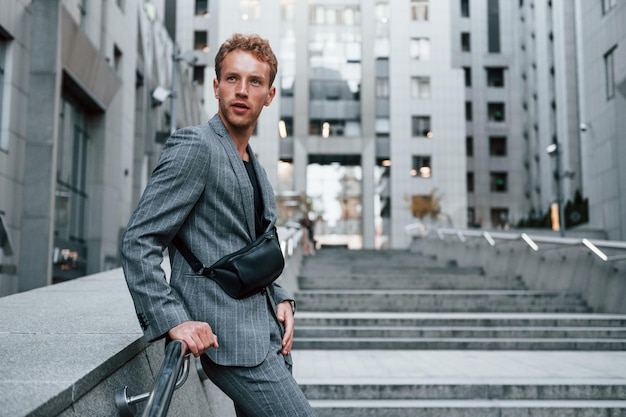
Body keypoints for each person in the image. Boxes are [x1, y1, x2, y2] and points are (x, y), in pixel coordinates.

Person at [120, 33, 316, 417]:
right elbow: (139, 241)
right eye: (232, 79)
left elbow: (252, 244)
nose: (242, 91)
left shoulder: (254, 164)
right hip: (231, 342)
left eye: (255, 82)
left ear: (270, 95)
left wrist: (281, 297)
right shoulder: (195, 147)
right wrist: (172, 321)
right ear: (216, 86)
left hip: (268, 336)